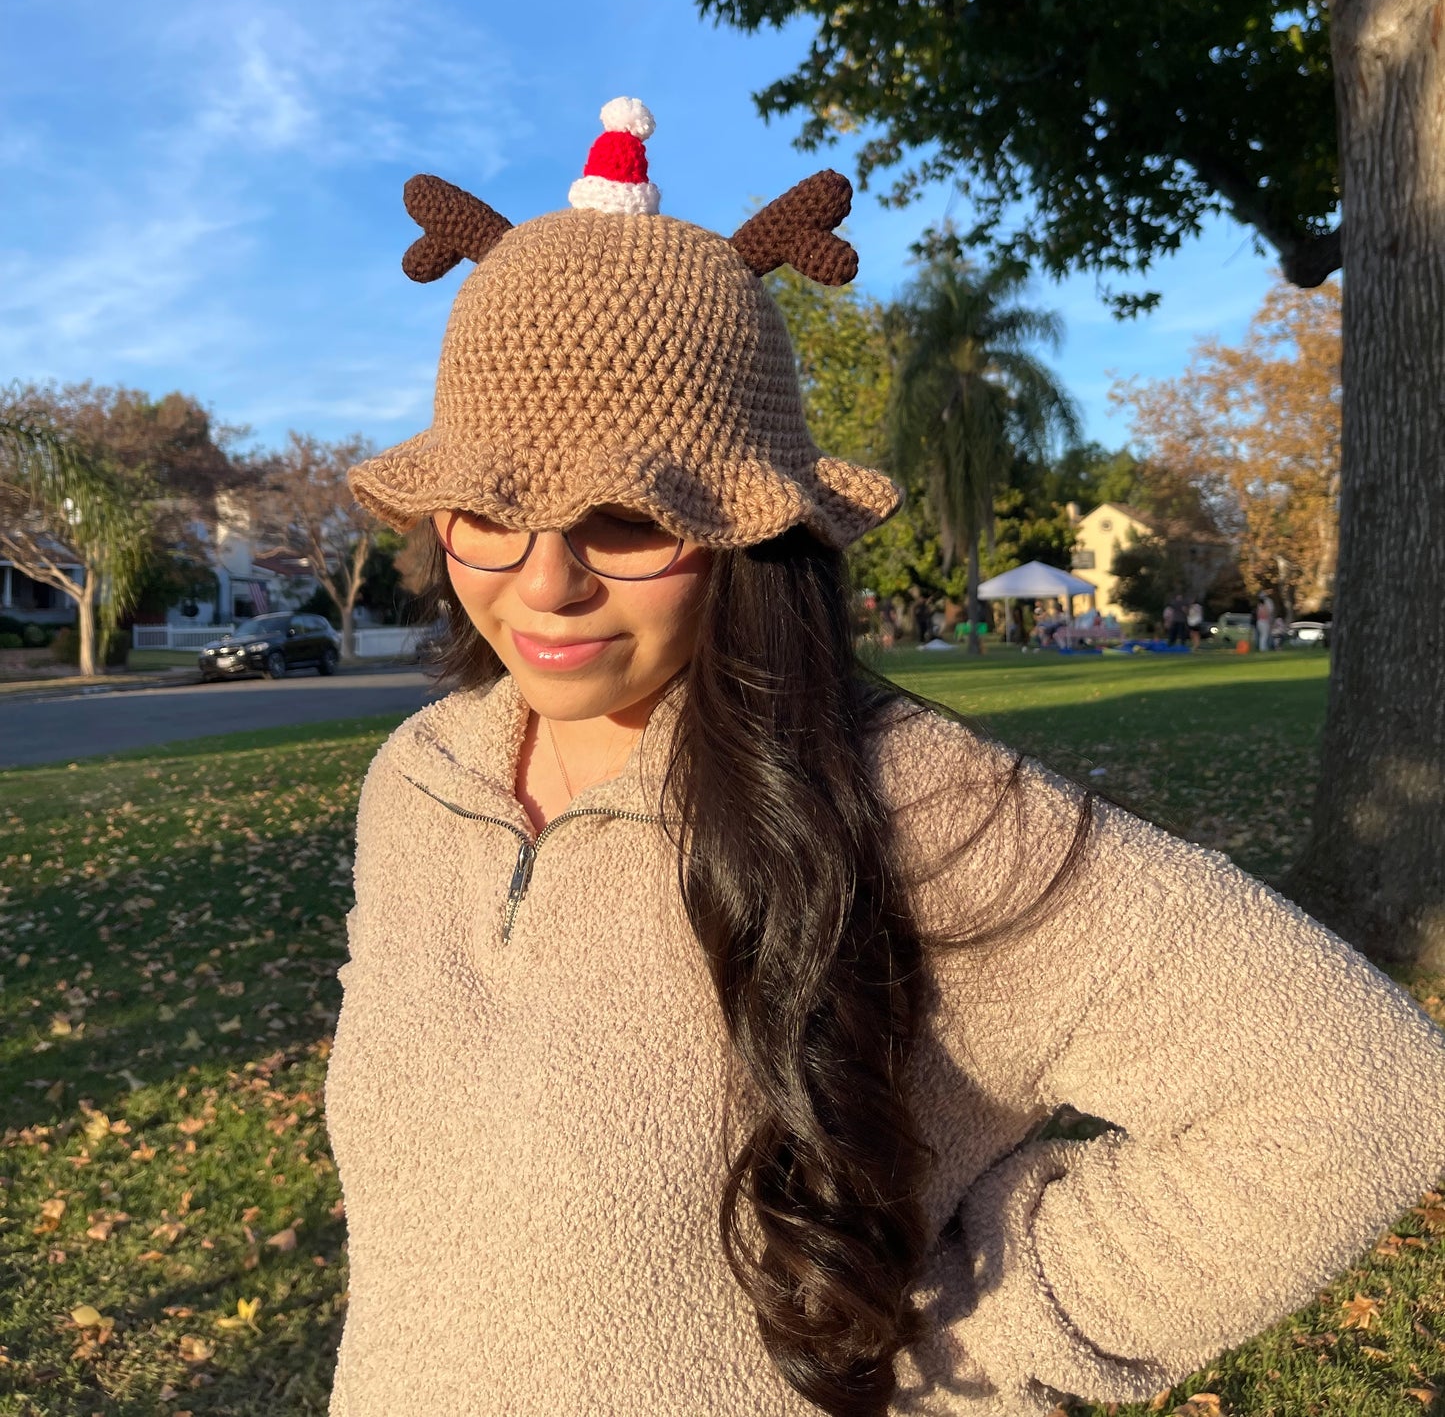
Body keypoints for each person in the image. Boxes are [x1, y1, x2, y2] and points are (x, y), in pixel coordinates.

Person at [327, 97, 1445, 1417]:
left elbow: (1351, 1097)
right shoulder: (419, 779)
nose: (544, 584)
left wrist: (952, 1371)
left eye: (626, 520)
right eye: (490, 512)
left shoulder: (914, 806)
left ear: (751, 529)